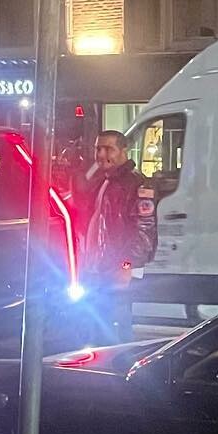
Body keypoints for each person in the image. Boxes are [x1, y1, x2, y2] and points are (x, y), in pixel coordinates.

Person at [77, 130, 156, 342]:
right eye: (98, 149)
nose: (102, 154)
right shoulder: (105, 182)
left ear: (123, 150)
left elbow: (144, 230)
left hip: (117, 269)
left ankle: (118, 361)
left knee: (115, 327)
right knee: (100, 324)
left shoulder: (136, 185)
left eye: (109, 149)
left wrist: (126, 266)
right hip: (100, 267)